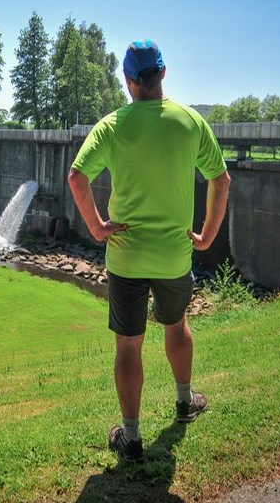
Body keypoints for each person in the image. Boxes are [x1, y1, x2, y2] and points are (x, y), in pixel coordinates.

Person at [68, 40, 230, 463]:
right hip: (175, 256)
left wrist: (98, 228)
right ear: (162, 74)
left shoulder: (112, 125)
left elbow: (77, 178)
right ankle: (183, 402)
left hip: (126, 258)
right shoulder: (191, 121)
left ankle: (132, 437)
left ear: (127, 80)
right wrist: (208, 234)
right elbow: (221, 180)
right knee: (176, 329)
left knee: (128, 347)